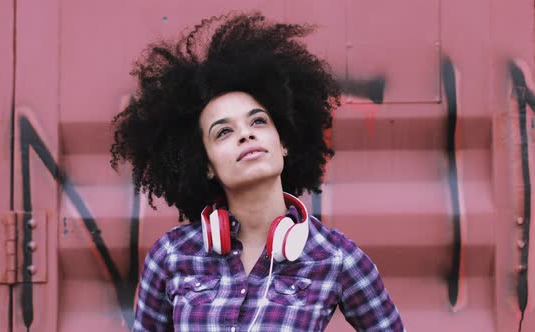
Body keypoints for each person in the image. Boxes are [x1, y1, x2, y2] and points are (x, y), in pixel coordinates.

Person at [110, 12, 405, 332]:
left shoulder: (335, 257)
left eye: (258, 121)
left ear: (284, 143)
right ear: (205, 164)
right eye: (223, 132)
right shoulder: (171, 255)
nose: (245, 135)